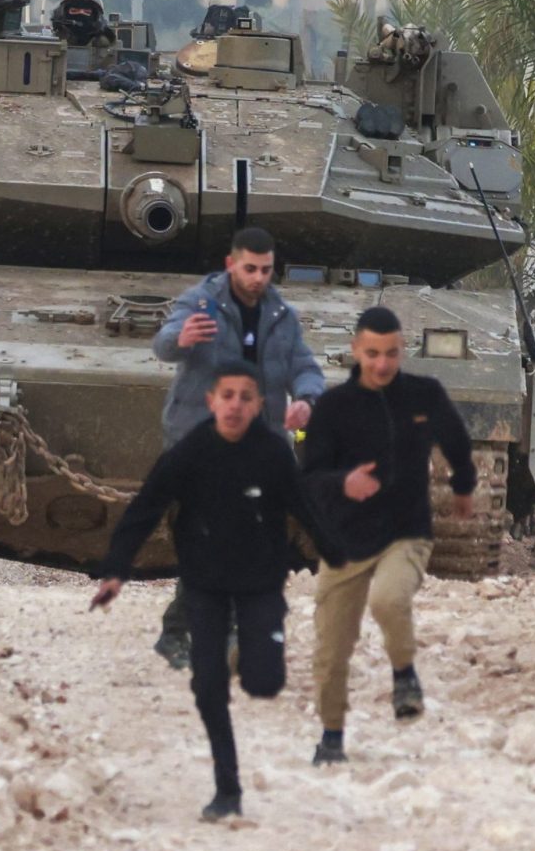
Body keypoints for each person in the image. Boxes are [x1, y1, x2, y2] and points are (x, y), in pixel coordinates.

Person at [92, 363, 340, 821]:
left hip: (260, 581)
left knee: (264, 680)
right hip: (204, 583)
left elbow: (307, 510)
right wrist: (115, 570)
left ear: (259, 405)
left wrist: (341, 561)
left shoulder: (272, 452)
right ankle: (228, 791)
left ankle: (246, 654)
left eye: (246, 397)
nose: (235, 406)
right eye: (227, 396)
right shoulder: (192, 451)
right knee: (208, 688)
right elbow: (146, 509)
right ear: (211, 401)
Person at [301, 306, 477, 765]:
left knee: (389, 599)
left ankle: (404, 675)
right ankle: (332, 736)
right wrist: (344, 483)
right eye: (373, 353)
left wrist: (463, 485)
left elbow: (457, 440)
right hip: (345, 538)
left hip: (405, 531)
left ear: (403, 351)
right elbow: (308, 476)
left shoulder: (423, 394)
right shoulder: (333, 408)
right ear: (356, 350)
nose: (382, 364)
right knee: (331, 648)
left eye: (392, 354)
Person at [150, 227, 325, 667]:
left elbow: (303, 365)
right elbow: (163, 342)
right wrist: (182, 338)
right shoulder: (201, 302)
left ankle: (183, 631)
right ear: (232, 264)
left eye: (266, 270)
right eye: (250, 269)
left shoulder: (280, 315)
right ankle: (220, 635)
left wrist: (306, 399)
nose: (258, 278)